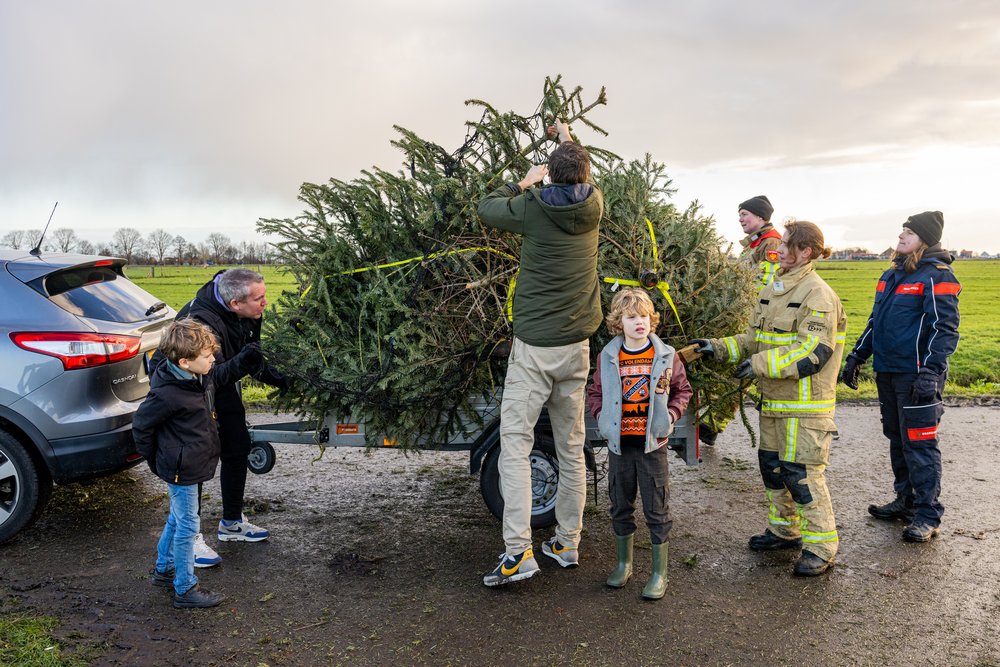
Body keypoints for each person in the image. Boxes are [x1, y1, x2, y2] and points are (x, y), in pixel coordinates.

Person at [477, 120, 603, 586]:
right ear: (586, 174)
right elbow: (576, 163)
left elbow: (485, 208)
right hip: (577, 347)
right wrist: (567, 135)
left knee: (516, 444)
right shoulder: (594, 204)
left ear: (548, 176)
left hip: (534, 348)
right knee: (572, 448)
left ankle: (518, 554)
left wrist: (524, 182)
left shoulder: (531, 207)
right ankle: (568, 543)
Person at [690, 220, 847, 576]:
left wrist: (758, 364)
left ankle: (821, 547)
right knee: (773, 470)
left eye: (787, 243)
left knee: (802, 475)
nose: (778, 248)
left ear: (805, 252)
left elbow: (812, 351)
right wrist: (716, 348)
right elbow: (752, 339)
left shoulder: (817, 295)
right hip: (775, 404)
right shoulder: (774, 290)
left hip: (805, 409)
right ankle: (784, 531)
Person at [154, 268, 288, 567]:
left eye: (264, 294)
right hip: (186, 390)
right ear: (234, 304)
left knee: (237, 445)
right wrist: (242, 362)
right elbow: (211, 373)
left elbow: (250, 354)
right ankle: (189, 542)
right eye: (259, 299)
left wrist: (280, 379)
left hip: (219, 379)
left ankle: (231, 523)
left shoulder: (248, 309)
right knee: (195, 459)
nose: (265, 303)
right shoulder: (201, 322)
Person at [841, 211, 960, 543]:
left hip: (917, 375)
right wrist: (857, 356)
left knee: (920, 443)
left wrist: (931, 372)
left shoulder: (938, 276)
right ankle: (905, 501)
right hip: (888, 372)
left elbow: (945, 329)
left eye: (910, 231)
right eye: (902, 230)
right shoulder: (891, 274)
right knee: (897, 437)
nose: (902, 235)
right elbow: (875, 320)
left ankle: (927, 514)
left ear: (925, 239)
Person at [134, 319, 262, 608]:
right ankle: (185, 588)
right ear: (184, 361)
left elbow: (223, 372)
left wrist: (244, 360)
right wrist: (156, 460)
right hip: (181, 469)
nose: (213, 359)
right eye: (207, 356)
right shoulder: (166, 394)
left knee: (177, 519)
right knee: (188, 527)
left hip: (192, 464)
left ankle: (164, 569)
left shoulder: (200, 376)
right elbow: (141, 427)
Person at [585, 288, 692, 599]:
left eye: (644, 317)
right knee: (620, 505)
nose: (639, 323)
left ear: (652, 320)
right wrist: (602, 417)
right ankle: (624, 564)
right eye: (632, 318)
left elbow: (682, 391)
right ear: (619, 322)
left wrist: (670, 416)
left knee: (657, 509)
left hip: (652, 447)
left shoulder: (666, 356)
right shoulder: (608, 357)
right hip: (620, 447)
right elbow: (595, 392)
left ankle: (659, 573)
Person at [699, 195, 782, 447]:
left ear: (760, 216)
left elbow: (764, 287)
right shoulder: (754, 245)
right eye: (740, 214)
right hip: (750, 318)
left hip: (762, 321)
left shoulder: (771, 244)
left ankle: (714, 424)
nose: (740, 218)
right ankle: (712, 424)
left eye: (745, 213)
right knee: (739, 372)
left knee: (745, 372)